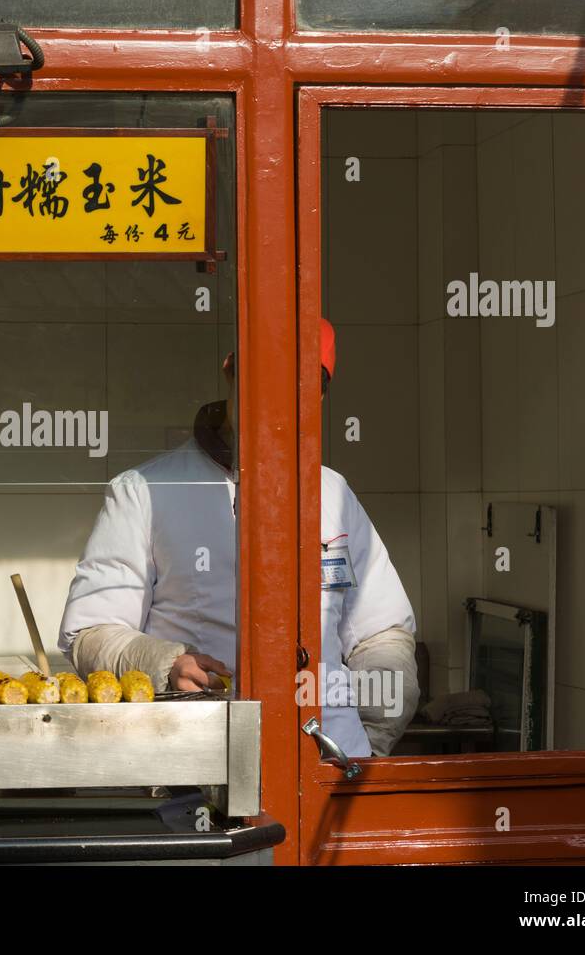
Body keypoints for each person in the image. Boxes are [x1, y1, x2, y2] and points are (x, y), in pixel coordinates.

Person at [58, 319, 418, 757]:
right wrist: (164, 663)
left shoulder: (333, 493)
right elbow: (91, 632)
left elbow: (382, 633)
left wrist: (367, 745)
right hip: (198, 755)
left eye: (307, 383)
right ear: (231, 371)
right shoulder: (146, 490)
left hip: (328, 764)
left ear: (321, 395)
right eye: (265, 374)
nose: (281, 395)